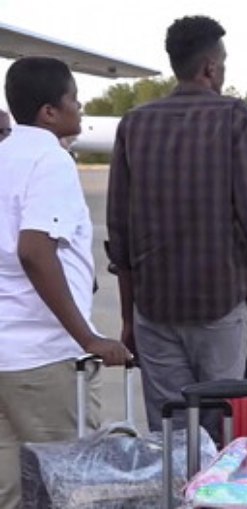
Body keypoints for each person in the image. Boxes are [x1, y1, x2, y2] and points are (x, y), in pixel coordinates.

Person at [107, 16, 247, 435]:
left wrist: (128, 317)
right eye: (224, 63)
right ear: (210, 67)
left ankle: (177, 497)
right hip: (219, 303)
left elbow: (119, 230)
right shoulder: (235, 117)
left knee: (170, 430)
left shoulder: (134, 123)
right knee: (220, 424)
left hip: (153, 308)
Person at [0, 57, 132, 509]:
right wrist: (88, 337)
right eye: (73, 97)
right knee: (67, 487)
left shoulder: (4, 152)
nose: (80, 106)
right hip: (45, 360)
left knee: (12, 493)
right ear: (49, 112)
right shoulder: (49, 159)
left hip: (5, 355)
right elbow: (34, 250)